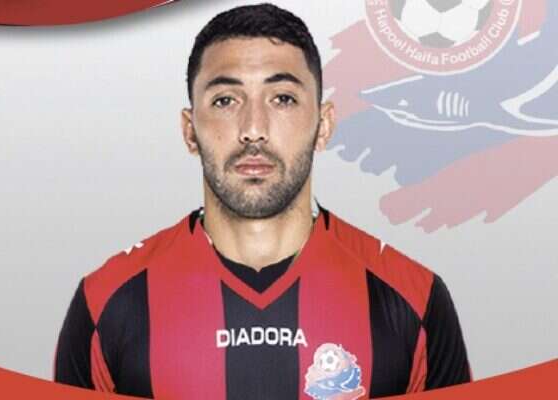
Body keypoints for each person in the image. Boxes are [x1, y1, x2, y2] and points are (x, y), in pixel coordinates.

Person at [54, 3, 471, 399]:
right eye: (225, 100)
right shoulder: (107, 302)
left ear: (324, 125)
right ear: (189, 130)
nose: (253, 128)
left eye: (282, 98)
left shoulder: (413, 300)